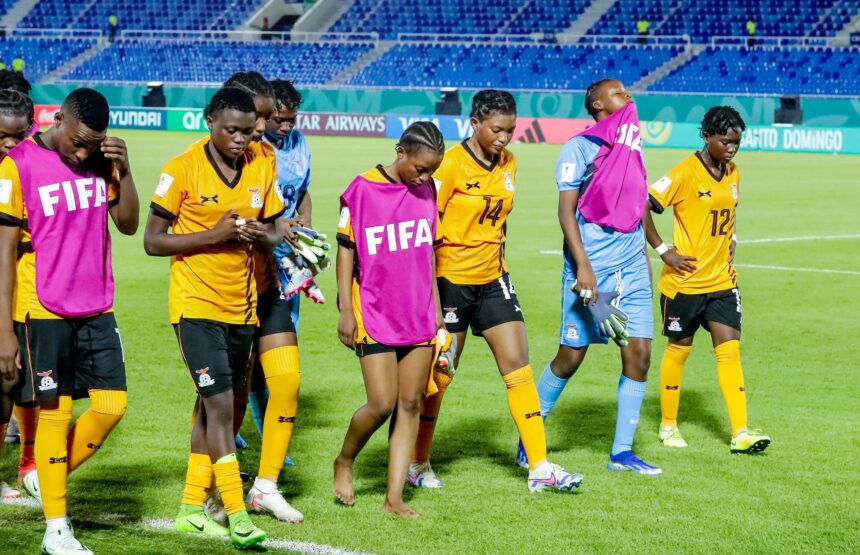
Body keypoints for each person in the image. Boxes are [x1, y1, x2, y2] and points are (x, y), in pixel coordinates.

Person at [409, 90, 582, 492]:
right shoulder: (449, 165)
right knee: (441, 375)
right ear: (475, 124)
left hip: (493, 279)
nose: (504, 138)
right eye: (496, 129)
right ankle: (417, 462)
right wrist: (428, 293)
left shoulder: (510, 163)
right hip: (450, 281)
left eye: (510, 129)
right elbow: (423, 226)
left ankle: (539, 467)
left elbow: (499, 223)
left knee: (518, 365)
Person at [0, 87, 139, 554]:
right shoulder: (15, 164)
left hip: (97, 305)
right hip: (43, 308)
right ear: (57, 118)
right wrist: (4, 329)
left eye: (92, 145)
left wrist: (124, 169)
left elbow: (128, 224)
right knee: (54, 416)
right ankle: (56, 528)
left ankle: (44, 474)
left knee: (110, 407)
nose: (83, 153)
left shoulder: (101, 160)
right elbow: (2, 254)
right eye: (77, 142)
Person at [144, 86, 283, 549]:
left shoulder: (262, 163)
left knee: (213, 409)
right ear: (209, 122)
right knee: (222, 407)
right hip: (195, 308)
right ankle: (237, 514)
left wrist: (266, 233)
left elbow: (277, 225)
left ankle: (188, 509)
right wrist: (216, 233)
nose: (242, 139)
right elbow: (153, 241)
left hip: (241, 308)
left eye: (248, 131)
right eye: (232, 131)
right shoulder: (181, 169)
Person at [526, 79, 662, 475]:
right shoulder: (579, 148)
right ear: (599, 104)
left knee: (638, 353)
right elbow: (566, 213)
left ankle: (621, 453)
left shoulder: (631, 145)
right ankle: (530, 436)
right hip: (592, 270)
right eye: (620, 93)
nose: (629, 97)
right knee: (571, 357)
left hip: (631, 268)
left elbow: (637, 204)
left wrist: (655, 253)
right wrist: (583, 267)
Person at [332, 122, 445, 517]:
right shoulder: (361, 190)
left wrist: (438, 315)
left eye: (432, 170)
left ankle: (393, 497)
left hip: (418, 313)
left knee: (410, 402)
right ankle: (345, 460)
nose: (426, 177)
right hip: (374, 310)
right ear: (401, 152)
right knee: (380, 404)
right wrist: (345, 308)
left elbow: (428, 254)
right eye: (421, 168)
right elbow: (346, 250)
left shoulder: (428, 189)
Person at [644, 106, 771, 454]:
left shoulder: (733, 174)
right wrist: (663, 250)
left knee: (730, 352)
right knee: (678, 351)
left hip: (722, 282)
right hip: (684, 284)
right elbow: (644, 204)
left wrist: (732, 239)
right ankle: (668, 426)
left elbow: (726, 215)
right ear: (707, 137)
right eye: (726, 142)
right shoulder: (685, 172)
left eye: (737, 142)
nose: (732, 148)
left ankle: (741, 432)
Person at [0, 87, 34, 502]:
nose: (9, 144)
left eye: (17, 136)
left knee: (8, 382)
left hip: (16, 290)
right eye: (1, 136)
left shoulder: (27, 169)